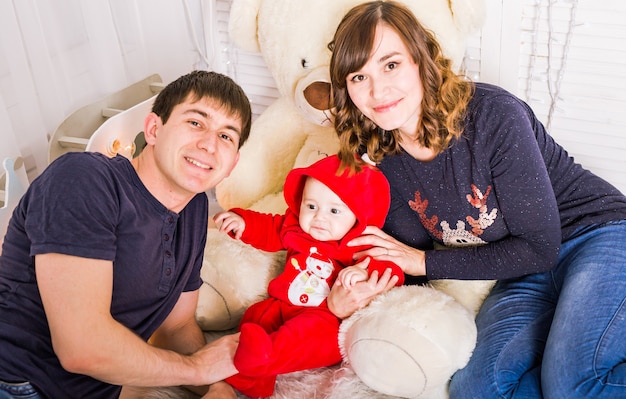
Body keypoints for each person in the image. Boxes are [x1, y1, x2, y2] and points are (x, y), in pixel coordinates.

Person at [325, 1, 626, 398]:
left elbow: (539, 245)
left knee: (573, 383)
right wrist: (359, 288)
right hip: (522, 269)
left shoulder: (492, 115)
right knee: (477, 389)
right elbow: (411, 261)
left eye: (391, 64)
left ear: (420, 59)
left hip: (597, 235)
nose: (377, 90)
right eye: (358, 76)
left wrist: (421, 260)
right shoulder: (383, 157)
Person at [0, 70, 252, 399]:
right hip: (17, 380)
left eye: (226, 136)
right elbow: (82, 348)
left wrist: (216, 386)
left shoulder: (194, 210)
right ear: (153, 130)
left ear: (232, 164)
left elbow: (174, 327)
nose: (208, 144)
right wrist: (196, 369)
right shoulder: (84, 179)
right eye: (196, 122)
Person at [213, 154, 404, 398]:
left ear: (358, 216)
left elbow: (391, 268)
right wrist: (243, 222)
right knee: (256, 316)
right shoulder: (294, 228)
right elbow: (270, 228)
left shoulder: (359, 244)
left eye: (335, 210)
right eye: (311, 206)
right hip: (281, 304)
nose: (319, 217)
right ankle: (257, 380)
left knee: (307, 339)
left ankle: (267, 358)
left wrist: (363, 270)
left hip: (324, 315)